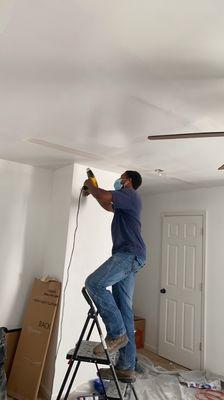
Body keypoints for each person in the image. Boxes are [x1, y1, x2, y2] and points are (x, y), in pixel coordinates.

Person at [84, 170, 146, 383]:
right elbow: (105, 204)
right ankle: (126, 367)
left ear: (128, 181)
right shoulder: (124, 204)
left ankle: (117, 333)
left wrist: (90, 185)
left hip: (128, 254)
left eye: (121, 177)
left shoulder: (130, 194)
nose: (119, 180)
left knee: (93, 283)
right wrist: (93, 188)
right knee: (124, 309)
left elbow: (104, 195)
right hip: (131, 257)